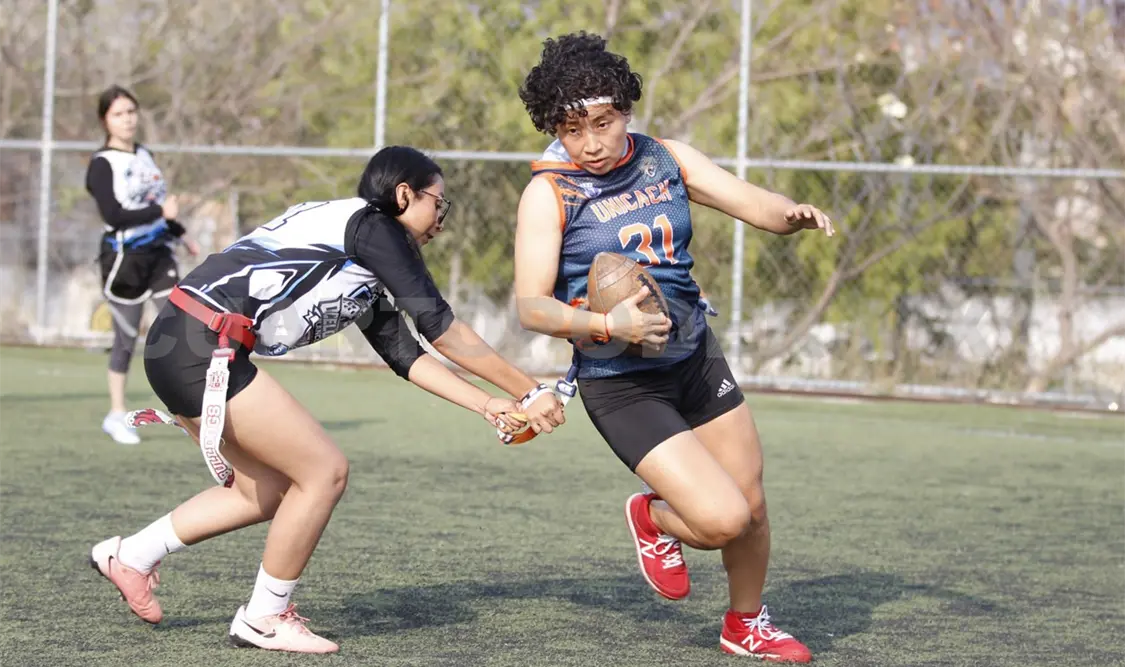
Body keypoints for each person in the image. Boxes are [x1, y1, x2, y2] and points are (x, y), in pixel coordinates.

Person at [89, 145, 566, 654]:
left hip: (187, 340)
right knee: (324, 472)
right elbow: (442, 329)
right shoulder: (374, 229)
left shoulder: (362, 247)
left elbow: (404, 353)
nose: (440, 221)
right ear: (404, 195)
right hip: (200, 344)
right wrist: (529, 389)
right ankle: (264, 618)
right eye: (438, 203)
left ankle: (132, 556)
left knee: (265, 491)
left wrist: (485, 404)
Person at [514, 32, 834, 662]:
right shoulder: (549, 194)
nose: (590, 143)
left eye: (602, 123)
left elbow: (753, 202)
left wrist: (788, 214)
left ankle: (745, 623)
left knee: (752, 503)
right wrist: (611, 326)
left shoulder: (666, 158)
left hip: (693, 355)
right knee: (720, 521)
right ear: (554, 129)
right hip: (622, 381)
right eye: (572, 130)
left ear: (626, 111)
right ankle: (653, 517)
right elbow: (531, 306)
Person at [86, 84, 200, 445]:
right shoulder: (102, 164)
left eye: (131, 112)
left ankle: (191, 412)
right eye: (118, 114)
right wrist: (160, 212)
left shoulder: (144, 154)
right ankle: (116, 414)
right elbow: (114, 215)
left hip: (159, 254)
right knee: (126, 339)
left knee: (179, 326)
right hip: (125, 260)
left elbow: (159, 205)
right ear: (105, 120)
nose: (127, 119)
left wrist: (180, 233)